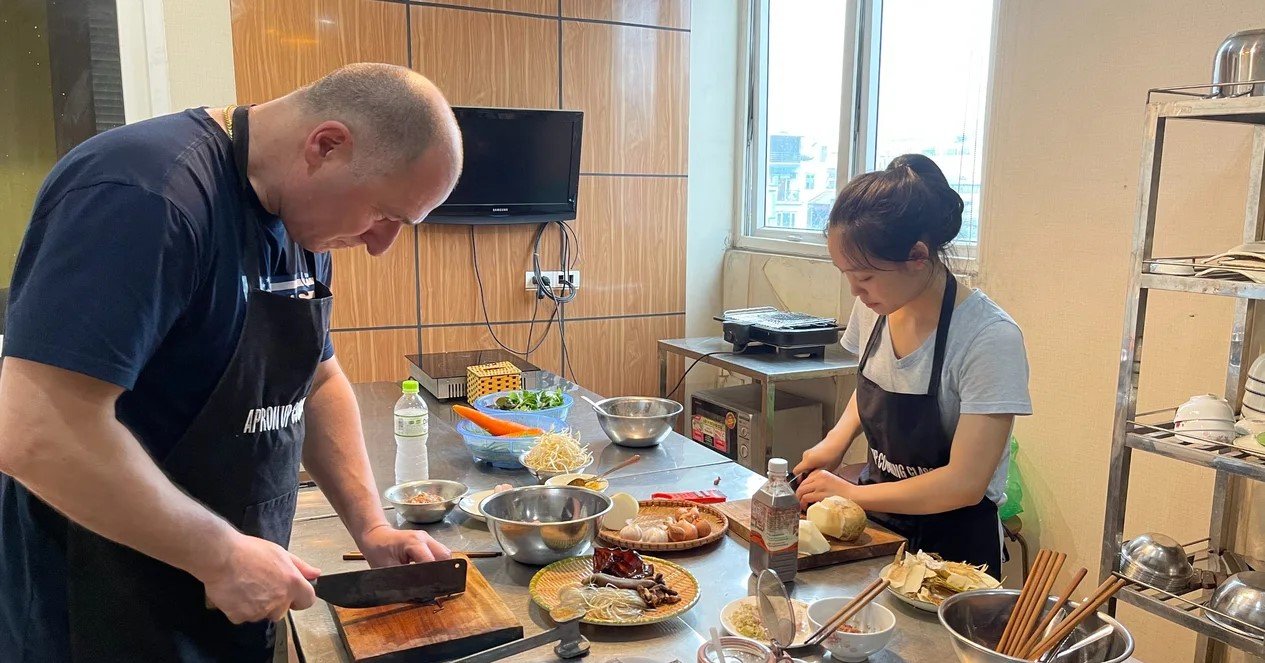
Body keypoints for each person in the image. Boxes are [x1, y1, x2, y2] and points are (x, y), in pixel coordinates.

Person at [0, 63, 463, 661]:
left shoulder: (300, 221)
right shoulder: (142, 196)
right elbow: (35, 429)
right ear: (325, 146)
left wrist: (371, 529)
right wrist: (218, 554)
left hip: (226, 601)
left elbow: (315, 379)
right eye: (385, 215)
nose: (380, 245)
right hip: (100, 613)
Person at [793, 154, 1031, 573]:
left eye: (864, 277)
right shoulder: (877, 307)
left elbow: (964, 483)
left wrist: (849, 493)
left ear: (917, 255)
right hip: (879, 529)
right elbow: (873, 383)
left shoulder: (988, 338)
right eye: (846, 274)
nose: (855, 291)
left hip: (955, 556)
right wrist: (835, 441)